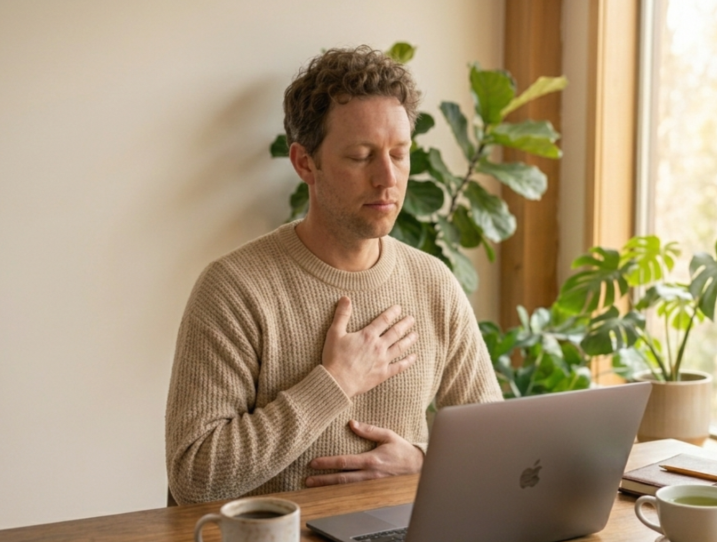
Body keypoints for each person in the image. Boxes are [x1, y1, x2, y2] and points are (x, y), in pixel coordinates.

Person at [165, 45, 502, 504]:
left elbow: (497, 449)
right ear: (305, 162)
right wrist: (335, 383)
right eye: (362, 156)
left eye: (399, 154)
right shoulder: (234, 289)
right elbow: (194, 479)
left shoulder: (433, 283)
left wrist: (423, 463)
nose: (387, 178)